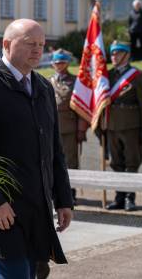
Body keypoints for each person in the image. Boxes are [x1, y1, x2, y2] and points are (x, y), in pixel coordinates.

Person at [0, 19, 73, 279]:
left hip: (37, 208)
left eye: (41, 45)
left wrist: (63, 199)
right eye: (30, 43)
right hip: (2, 212)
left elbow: (54, 149)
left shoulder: (43, 86)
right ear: (7, 44)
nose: (37, 50)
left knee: (36, 273)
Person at [102, 41, 142, 212]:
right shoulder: (107, 75)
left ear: (127, 55)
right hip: (112, 126)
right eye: (112, 53)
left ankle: (130, 198)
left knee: (131, 163)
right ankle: (119, 197)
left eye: (118, 53)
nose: (114, 56)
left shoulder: (136, 75)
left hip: (131, 127)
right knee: (116, 164)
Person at [49, 49, 88, 204]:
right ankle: (55, 193)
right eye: (57, 62)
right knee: (51, 162)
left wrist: (81, 129)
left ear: (67, 63)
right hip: (51, 128)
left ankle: (70, 194)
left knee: (70, 163)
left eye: (62, 62)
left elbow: (81, 108)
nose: (59, 65)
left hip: (69, 129)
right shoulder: (48, 80)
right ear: (52, 64)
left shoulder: (75, 81)